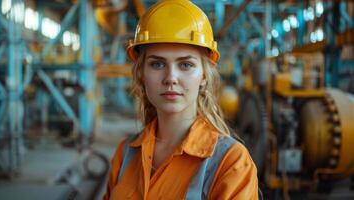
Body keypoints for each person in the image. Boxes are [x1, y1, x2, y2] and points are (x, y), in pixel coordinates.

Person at [103, 0, 258, 199]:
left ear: (204, 76)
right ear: (141, 73)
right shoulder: (125, 154)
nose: (170, 78)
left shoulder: (231, 163)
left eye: (185, 65)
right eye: (157, 64)